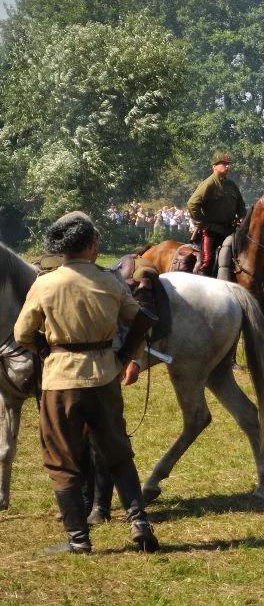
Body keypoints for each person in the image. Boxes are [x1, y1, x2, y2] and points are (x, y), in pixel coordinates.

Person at [14, 212, 160, 554]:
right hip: (104, 377)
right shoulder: (109, 281)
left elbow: (22, 333)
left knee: (62, 458)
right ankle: (139, 523)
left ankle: (79, 540)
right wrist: (125, 357)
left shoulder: (45, 284)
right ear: (91, 245)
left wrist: (45, 351)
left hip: (59, 382)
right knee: (118, 454)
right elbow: (140, 320)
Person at [187, 151, 246, 277]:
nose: (227, 166)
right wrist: (203, 223)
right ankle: (201, 289)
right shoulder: (209, 183)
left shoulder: (231, 185)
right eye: (224, 164)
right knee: (207, 262)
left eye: (228, 164)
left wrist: (242, 217)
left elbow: (241, 205)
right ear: (214, 166)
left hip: (230, 231)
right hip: (211, 231)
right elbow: (192, 203)